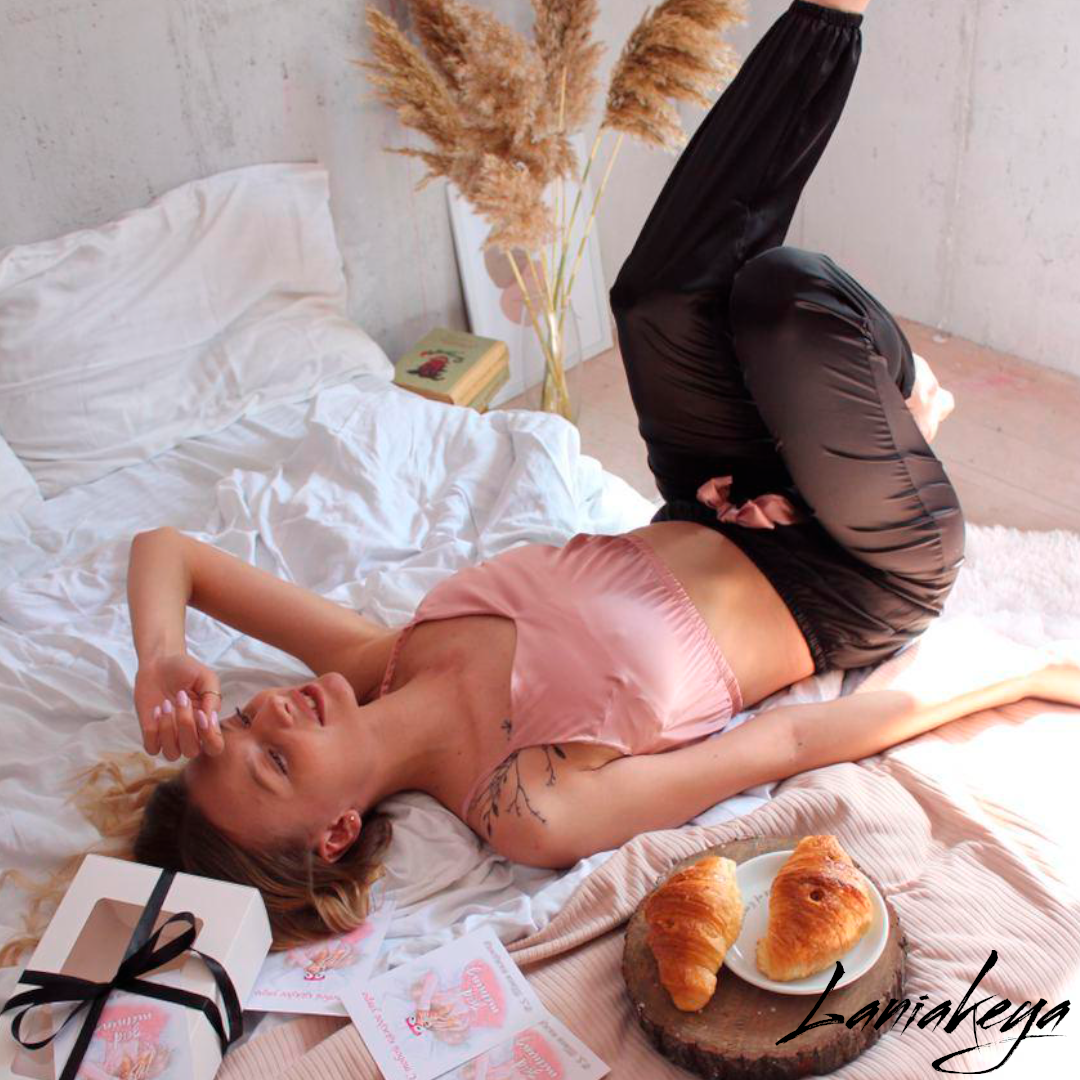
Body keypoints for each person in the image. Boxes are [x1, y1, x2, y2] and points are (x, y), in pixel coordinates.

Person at [116, 0, 1078, 948]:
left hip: (716, 500)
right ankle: (898, 407)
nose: (272, 712)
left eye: (241, 718)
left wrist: (161, 658)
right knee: (784, 297)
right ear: (336, 834)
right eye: (276, 761)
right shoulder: (528, 812)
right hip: (853, 572)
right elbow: (782, 744)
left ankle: (829, 12)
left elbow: (169, 552)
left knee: (658, 299)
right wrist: (1031, 674)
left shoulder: (385, 658)